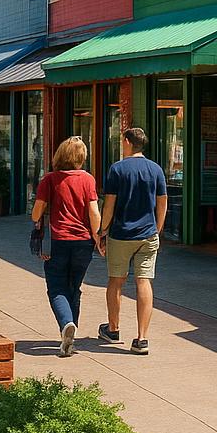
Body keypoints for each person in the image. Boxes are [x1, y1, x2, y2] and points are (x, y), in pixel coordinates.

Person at [98, 127, 167, 355]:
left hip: (121, 234)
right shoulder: (155, 169)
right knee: (144, 282)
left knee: (116, 281)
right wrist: (156, 229)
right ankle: (142, 338)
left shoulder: (117, 169)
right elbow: (162, 201)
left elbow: (109, 205)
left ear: (127, 142)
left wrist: (102, 231)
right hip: (148, 235)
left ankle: (113, 328)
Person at [31, 136, 101, 357]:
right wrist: (98, 239)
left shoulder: (49, 180)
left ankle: (67, 324)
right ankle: (70, 337)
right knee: (74, 288)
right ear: (81, 158)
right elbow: (93, 212)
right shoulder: (88, 179)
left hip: (57, 242)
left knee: (57, 288)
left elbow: (36, 213)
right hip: (83, 243)